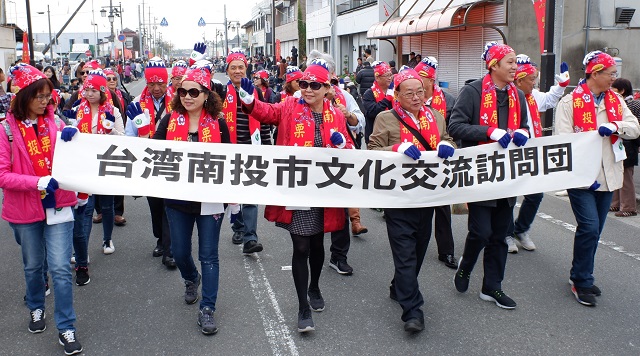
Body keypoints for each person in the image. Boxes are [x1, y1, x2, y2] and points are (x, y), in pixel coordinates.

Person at [240, 58, 355, 333]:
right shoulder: (291, 105)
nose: (308, 89)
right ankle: (303, 306)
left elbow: (350, 147)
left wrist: (342, 143)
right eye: (304, 84)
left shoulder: (336, 114)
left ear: (327, 88)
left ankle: (315, 286)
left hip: (324, 189)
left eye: (315, 85)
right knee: (300, 246)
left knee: (317, 246)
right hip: (297, 187)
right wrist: (249, 101)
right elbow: (268, 112)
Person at [0, 63, 83, 355]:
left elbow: (73, 157)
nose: (45, 101)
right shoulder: (6, 130)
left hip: (59, 205)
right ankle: (36, 306)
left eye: (48, 95)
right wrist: (36, 182)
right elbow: (2, 174)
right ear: (23, 95)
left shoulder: (56, 123)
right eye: (39, 95)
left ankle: (66, 326)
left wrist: (74, 138)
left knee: (60, 268)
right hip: (24, 211)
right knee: (34, 266)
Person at [145, 64, 232, 335]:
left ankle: (208, 308)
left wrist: (232, 196)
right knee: (180, 252)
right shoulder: (170, 120)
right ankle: (191, 278)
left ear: (207, 94)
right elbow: (151, 151)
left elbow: (231, 161)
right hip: (177, 200)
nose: (187, 96)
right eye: (183, 91)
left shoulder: (218, 123)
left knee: (209, 255)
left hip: (211, 201)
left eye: (194, 91)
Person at [368, 65, 456, 333]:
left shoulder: (436, 116)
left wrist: (448, 146)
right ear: (397, 94)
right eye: (410, 93)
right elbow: (372, 150)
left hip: (427, 197)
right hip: (398, 198)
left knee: (418, 250)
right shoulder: (386, 118)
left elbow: (448, 138)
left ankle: (399, 287)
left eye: (420, 91)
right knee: (405, 254)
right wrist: (396, 148)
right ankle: (412, 310)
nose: (417, 97)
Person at [448, 41, 529, 310]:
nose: (515, 67)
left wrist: (524, 134)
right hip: (480, 172)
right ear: (494, 65)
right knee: (481, 232)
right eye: (510, 62)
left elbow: (526, 126)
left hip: (507, 174)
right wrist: (489, 132)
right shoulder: (472, 91)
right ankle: (466, 265)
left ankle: (492, 286)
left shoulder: (517, 95)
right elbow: (456, 126)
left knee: (500, 236)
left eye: (516, 62)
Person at [556, 51, 639, 306]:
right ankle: (581, 280)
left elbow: (635, 127)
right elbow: (563, 142)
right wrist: (579, 173)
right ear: (595, 73)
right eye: (611, 73)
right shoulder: (570, 103)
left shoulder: (615, 100)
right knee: (589, 227)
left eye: (615, 74)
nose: (615, 78)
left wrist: (617, 126)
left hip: (609, 175)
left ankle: (582, 275)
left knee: (595, 231)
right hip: (582, 180)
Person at [505, 54, 570, 253]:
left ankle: (521, 229)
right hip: (509, 155)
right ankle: (506, 234)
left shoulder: (534, 97)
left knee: (535, 195)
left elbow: (550, 99)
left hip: (532, 154)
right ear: (519, 80)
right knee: (508, 196)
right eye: (532, 79)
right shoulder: (505, 98)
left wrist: (562, 85)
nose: (534, 83)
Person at [64, 68, 125, 257]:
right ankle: (83, 251)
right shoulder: (77, 110)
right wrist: (69, 130)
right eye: (86, 89)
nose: (89, 94)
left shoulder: (113, 111)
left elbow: (123, 137)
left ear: (102, 92)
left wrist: (110, 131)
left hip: (106, 163)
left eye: (94, 90)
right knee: (86, 207)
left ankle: (107, 239)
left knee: (107, 206)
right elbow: (68, 132)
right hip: (84, 165)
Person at [125, 57, 176, 269]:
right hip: (148, 162)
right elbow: (129, 135)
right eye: (152, 84)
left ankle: (170, 248)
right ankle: (160, 240)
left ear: (167, 82)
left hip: (173, 161)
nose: (156, 88)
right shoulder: (137, 103)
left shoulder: (178, 101)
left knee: (170, 205)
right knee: (155, 206)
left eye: (161, 84)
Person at [222, 50, 272, 253]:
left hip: (252, 147)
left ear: (247, 69)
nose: (237, 71)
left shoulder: (255, 91)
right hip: (227, 150)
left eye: (241, 67)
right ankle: (238, 227)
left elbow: (263, 117)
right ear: (227, 70)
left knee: (251, 194)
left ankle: (251, 237)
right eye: (233, 67)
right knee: (232, 193)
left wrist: (267, 147)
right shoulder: (220, 91)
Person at [414, 56, 459, 269]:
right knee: (417, 209)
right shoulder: (410, 99)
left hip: (440, 160)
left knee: (442, 207)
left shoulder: (448, 101)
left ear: (432, 81)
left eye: (423, 78)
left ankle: (446, 251)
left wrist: (448, 145)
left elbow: (454, 129)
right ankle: (411, 246)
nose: (419, 82)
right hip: (414, 161)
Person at [610, 77, 640, 217]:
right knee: (617, 174)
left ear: (622, 91)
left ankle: (628, 207)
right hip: (618, 143)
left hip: (629, 145)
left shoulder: (633, 105)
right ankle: (615, 204)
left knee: (626, 178)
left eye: (614, 89)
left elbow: (636, 128)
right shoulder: (614, 104)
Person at [362, 61, 394, 144]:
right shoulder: (369, 93)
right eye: (386, 75)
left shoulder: (395, 92)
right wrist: (387, 99)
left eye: (390, 75)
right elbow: (373, 112)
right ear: (377, 78)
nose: (390, 78)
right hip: (375, 136)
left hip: (393, 135)